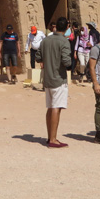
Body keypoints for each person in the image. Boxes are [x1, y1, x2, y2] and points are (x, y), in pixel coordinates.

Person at [36, 16, 72, 148]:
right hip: (59, 78)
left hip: (47, 78)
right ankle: (53, 139)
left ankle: (49, 136)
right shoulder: (64, 42)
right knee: (57, 107)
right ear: (67, 27)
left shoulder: (46, 40)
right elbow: (67, 62)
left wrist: (49, 60)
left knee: (50, 107)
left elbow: (38, 56)